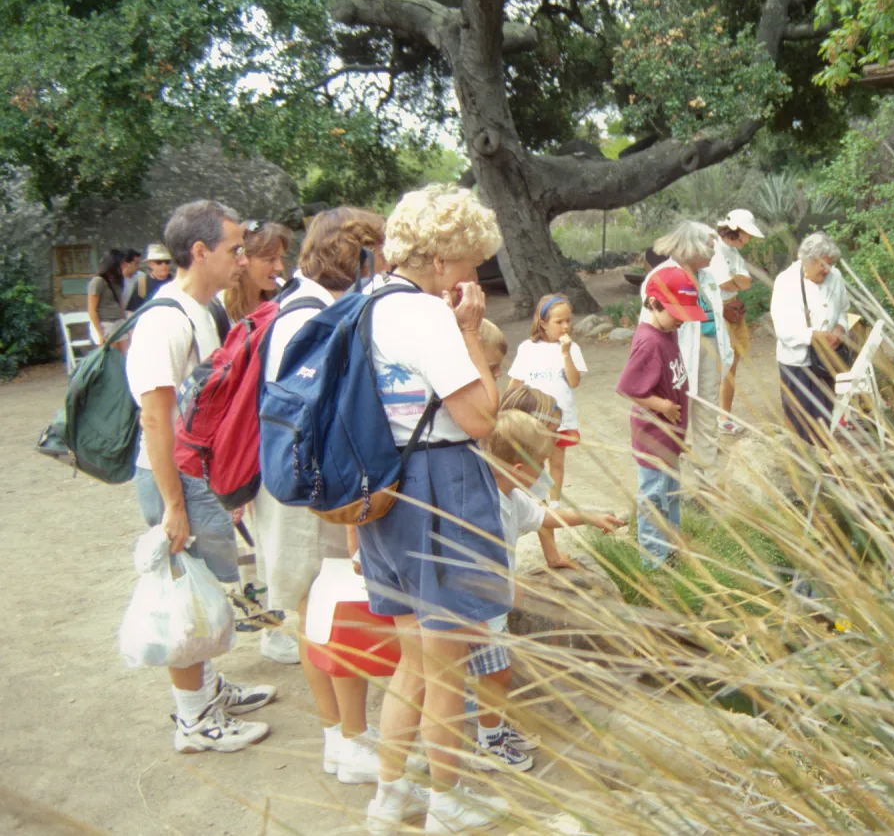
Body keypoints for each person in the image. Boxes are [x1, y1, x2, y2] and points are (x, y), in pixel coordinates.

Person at [355, 185, 509, 836]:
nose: (475, 274)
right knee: (448, 664)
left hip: (383, 490)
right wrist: (471, 330)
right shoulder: (425, 316)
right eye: (470, 260)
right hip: (440, 486)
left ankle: (388, 802)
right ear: (442, 257)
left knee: (412, 661)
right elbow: (482, 418)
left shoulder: (365, 304)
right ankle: (445, 806)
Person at [126, 200, 277, 753]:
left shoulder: (203, 311)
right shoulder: (164, 320)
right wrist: (174, 504)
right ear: (200, 251)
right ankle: (194, 718)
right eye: (235, 248)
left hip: (196, 479)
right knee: (185, 596)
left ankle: (210, 690)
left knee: (207, 585)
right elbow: (155, 417)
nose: (242, 259)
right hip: (177, 480)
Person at [246, 206, 386, 782]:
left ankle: (342, 735)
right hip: (313, 483)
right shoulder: (318, 316)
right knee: (332, 607)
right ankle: (349, 738)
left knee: (316, 609)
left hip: (289, 478)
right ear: (357, 256)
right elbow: (323, 415)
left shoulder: (294, 307)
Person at [472, 411, 621, 769]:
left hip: (495, 607)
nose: (545, 470)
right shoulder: (485, 504)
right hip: (481, 608)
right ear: (518, 467)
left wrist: (587, 517)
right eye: (541, 463)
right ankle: (488, 743)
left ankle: (493, 726)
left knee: (495, 673)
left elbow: (542, 518)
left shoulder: (511, 496)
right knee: (496, 674)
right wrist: (510, 588)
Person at [617, 267, 707, 568]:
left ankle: (672, 551)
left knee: (670, 495)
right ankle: (653, 564)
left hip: (670, 438)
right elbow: (629, 387)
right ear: (654, 304)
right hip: (653, 438)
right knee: (653, 500)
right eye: (676, 312)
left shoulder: (668, 331)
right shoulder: (649, 341)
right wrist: (664, 407)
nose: (682, 319)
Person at [639, 221, 732, 480]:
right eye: (710, 247)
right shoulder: (659, 277)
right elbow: (649, 324)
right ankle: (670, 479)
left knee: (707, 414)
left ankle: (707, 481)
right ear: (692, 247)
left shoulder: (708, 276)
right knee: (675, 417)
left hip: (709, 349)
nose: (714, 253)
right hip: (677, 352)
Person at [507, 294, 587, 568]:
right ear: (542, 323)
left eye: (568, 321)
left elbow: (574, 381)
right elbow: (514, 385)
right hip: (534, 425)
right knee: (536, 475)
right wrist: (506, 415)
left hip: (560, 420)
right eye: (558, 321)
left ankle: (553, 505)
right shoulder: (528, 349)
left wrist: (566, 354)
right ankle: (543, 515)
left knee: (556, 467)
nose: (565, 327)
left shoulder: (571, 349)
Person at [770, 232, 852, 446]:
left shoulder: (836, 277)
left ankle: (823, 465)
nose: (827, 270)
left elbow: (844, 311)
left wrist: (840, 329)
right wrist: (814, 336)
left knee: (825, 419)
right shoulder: (786, 282)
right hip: (798, 364)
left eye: (831, 264)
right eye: (823, 265)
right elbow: (783, 329)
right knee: (801, 423)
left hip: (827, 362)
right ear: (807, 260)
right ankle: (805, 468)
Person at [708, 209, 764, 434]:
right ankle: (711, 418)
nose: (749, 239)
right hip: (717, 312)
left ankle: (724, 417)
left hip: (733, 311)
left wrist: (735, 282)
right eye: (747, 234)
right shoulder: (715, 249)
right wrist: (735, 282)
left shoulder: (734, 253)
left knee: (731, 365)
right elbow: (724, 283)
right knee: (715, 366)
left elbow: (745, 282)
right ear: (736, 231)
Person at [211, 219, 291, 340]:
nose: (280, 267)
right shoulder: (218, 311)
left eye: (281, 258)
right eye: (270, 259)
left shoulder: (284, 293)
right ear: (244, 259)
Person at [87, 249, 133, 348]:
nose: (126, 265)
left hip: (119, 322)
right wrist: (100, 334)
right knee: (113, 357)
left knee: (124, 357)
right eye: (123, 262)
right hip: (106, 324)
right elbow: (92, 310)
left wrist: (125, 323)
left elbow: (120, 304)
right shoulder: (97, 281)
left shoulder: (118, 281)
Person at [127, 243, 174, 312]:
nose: (164, 265)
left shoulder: (177, 281)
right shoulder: (142, 283)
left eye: (167, 262)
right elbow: (132, 311)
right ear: (150, 264)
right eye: (159, 262)